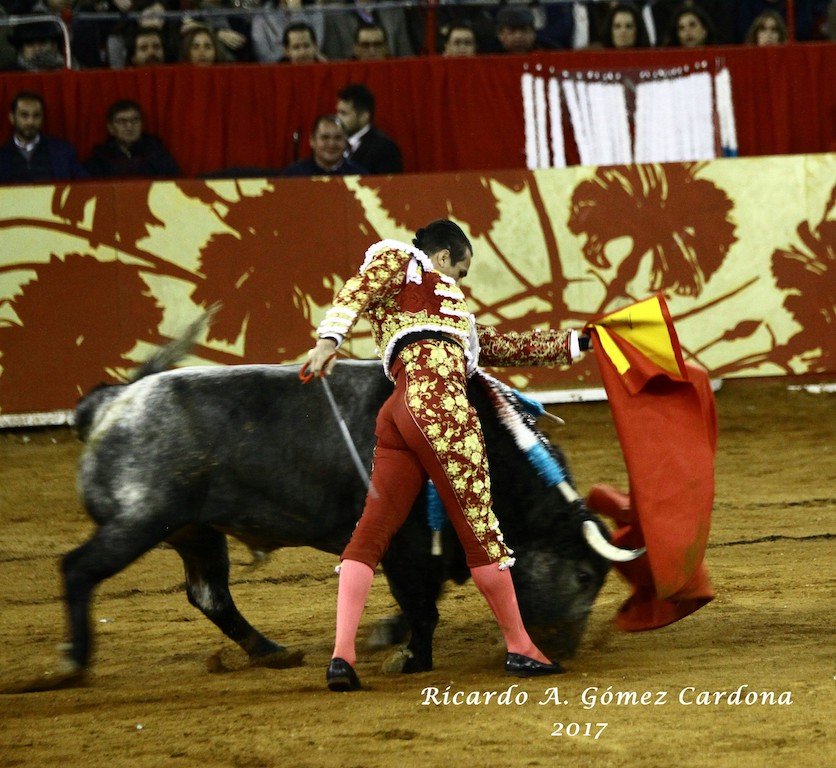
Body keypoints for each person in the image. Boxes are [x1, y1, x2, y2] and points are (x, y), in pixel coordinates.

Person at [305, 220, 591, 692]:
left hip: (398, 412)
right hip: (441, 409)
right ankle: (521, 648)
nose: (460, 282)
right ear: (442, 258)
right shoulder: (399, 259)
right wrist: (328, 341)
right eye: (460, 271)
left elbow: (497, 346)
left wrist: (576, 342)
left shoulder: (450, 313)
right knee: (482, 533)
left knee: (372, 530)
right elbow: (358, 288)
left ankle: (342, 657)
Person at [0, 91, 88, 183]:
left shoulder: (62, 152)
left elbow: (84, 185)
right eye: (24, 115)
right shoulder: (2, 157)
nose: (30, 122)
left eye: (36, 116)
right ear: (12, 117)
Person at [84, 99, 179, 178]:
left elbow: (174, 181)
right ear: (111, 128)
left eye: (135, 120)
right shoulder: (100, 156)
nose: (129, 126)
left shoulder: (156, 151)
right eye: (122, 121)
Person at [336, 83, 403, 175]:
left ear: (364, 116)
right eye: (338, 112)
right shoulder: (332, 143)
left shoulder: (385, 149)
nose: (338, 118)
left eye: (344, 113)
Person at [280, 115, 366, 176]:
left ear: (345, 141)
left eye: (338, 138)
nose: (331, 144)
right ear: (312, 140)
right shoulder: (293, 176)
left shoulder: (360, 177)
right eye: (325, 137)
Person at [250, 0, 325, 64]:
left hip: (309, 67)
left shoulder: (314, 11)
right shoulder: (261, 16)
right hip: (276, 70)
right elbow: (264, 56)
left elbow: (315, 46)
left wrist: (296, 12)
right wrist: (289, 53)